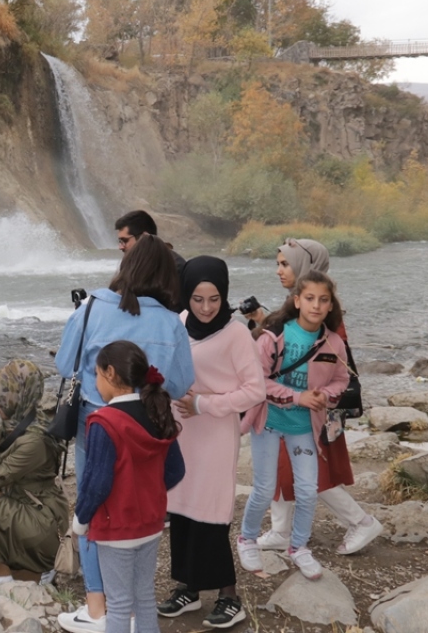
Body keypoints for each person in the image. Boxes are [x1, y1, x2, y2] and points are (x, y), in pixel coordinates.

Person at [55, 235, 195, 633]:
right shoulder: (171, 322)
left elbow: (66, 363)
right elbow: (182, 383)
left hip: (95, 422)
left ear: (126, 269)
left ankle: (97, 609)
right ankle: (127, 612)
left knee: (92, 502)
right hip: (149, 425)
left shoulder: (93, 307)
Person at [244, 239, 383, 556]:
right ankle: (281, 531)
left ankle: (361, 521)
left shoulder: (319, 309)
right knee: (283, 464)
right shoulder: (301, 302)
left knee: (311, 469)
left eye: (284, 263)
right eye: (277, 263)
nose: (279, 270)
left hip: (309, 406)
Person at [157, 257, 265, 630]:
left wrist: (204, 404)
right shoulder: (180, 322)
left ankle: (229, 596)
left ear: (225, 296)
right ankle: (188, 589)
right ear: (186, 295)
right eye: (198, 299)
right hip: (182, 432)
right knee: (183, 508)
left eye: (214, 299)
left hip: (216, 433)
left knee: (212, 513)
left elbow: (255, 390)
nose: (205, 308)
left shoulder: (235, 335)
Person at [237, 270, 351, 581]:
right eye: (310, 298)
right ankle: (246, 539)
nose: (316, 305)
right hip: (269, 422)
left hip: (304, 428)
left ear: (330, 306)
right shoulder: (273, 336)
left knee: (307, 490)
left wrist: (324, 395)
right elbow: (257, 382)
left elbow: (342, 379)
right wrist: (297, 397)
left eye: (323, 300)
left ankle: (298, 546)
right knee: (263, 488)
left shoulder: (334, 343)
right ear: (297, 300)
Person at [72, 341, 185, 633]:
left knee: (120, 604)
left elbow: (96, 483)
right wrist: (148, 492)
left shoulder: (104, 422)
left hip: (116, 526)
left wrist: (81, 519)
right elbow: (175, 470)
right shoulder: (156, 413)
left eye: (96, 374)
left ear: (109, 373)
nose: (95, 381)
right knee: (145, 598)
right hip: (150, 523)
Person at [0, 360, 69, 589]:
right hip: (29, 511)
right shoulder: (20, 422)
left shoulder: (35, 440)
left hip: (43, 526)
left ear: (20, 395)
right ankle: (29, 574)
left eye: (2, 396)